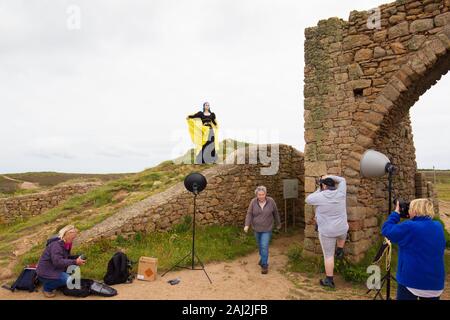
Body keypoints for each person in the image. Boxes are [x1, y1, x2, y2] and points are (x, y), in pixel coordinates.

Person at [382, 198, 446, 300]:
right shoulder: (438, 226)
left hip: (411, 282)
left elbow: (386, 230)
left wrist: (396, 214)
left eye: (410, 208)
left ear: (415, 210)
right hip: (435, 284)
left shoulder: (410, 226)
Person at [305, 175, 348, 288]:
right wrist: (329, 176)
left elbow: (308, 199)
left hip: (327, 232)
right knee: (342, 235)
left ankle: (329, 280)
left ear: (324, 186)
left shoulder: (320, 196)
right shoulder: (341, 193)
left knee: (328, 256)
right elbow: (342, 180)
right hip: (342, 229)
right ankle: (340, 249)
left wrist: (320, 188)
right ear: (334, 185)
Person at [36, 225, 86, 298]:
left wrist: (76, 258)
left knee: (74, 267)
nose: (73, 239)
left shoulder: (66, 243)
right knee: (67, 279)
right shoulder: (56, 246)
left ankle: (56, 282)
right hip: (45, 272)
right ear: (65, 235)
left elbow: (65, 257)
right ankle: (47, 288)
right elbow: (58, 262)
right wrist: (75, 261)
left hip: (55, 268)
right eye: (72, 237)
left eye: (74, 237)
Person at [244, 186, 281, 274]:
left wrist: (278, 223)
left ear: (265, 194)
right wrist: (247, 225)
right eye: (259, 195)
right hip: (256, 228)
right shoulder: (253, 202)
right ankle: (263, 258)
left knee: (264, 245)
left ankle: (264, 265)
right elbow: (249, 214)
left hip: (267, 228)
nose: (261, 196)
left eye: (263, 194)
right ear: (256, 195)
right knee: (260, 246)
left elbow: (275, 212)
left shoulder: (271, 201)